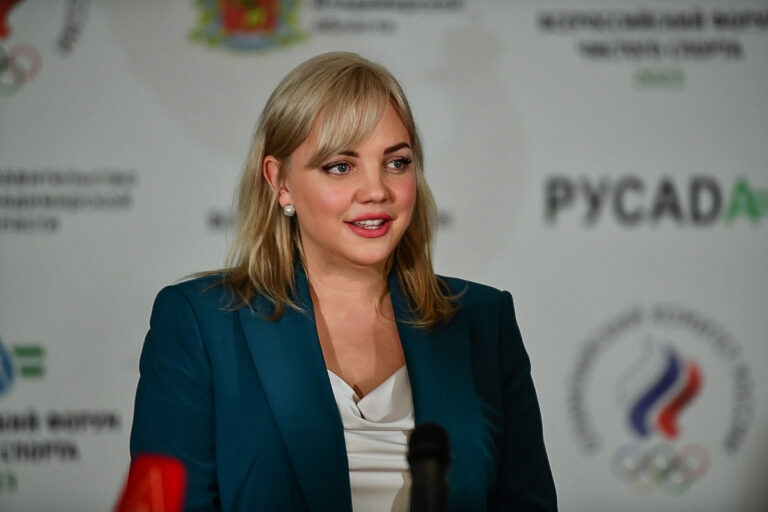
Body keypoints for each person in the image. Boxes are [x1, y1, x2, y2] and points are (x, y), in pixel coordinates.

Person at [129, 52, 557, 512]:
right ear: (280, 182)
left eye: (397, 162)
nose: (376, 191)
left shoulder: (483, 321)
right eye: (340, 166)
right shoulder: (200, 323)